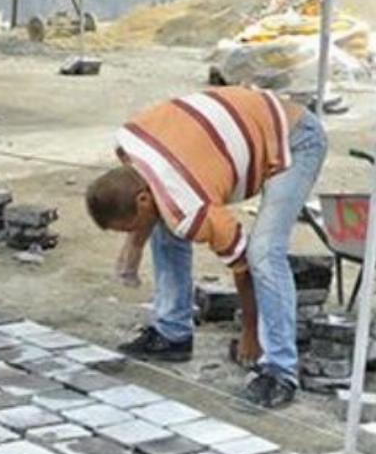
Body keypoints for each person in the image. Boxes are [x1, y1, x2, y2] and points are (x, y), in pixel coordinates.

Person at [85, 88, 327, 409]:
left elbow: (241, 265)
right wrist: (134, 245)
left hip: (296, 140)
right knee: (166, 220)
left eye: (128, 227)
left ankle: (280, 370)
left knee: (264, 252)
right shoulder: (130, 146)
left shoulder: (190, 203)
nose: (131, 234)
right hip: (246, 130)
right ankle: (173, 334)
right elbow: (150, 197)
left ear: (141, 200)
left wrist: (250, 332)